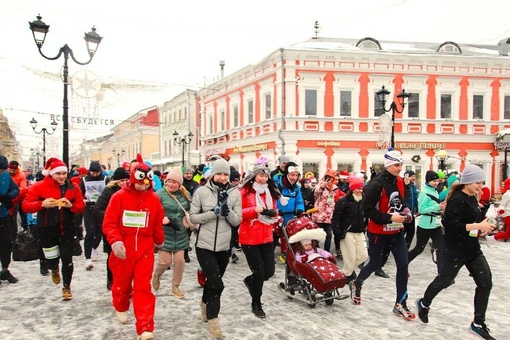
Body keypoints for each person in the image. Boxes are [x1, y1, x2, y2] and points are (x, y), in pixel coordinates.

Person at [415, 164, 496, 340]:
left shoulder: (473, 197)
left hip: (472, 249)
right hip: (455, 249)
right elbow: (452, 226)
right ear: (467, 181)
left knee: (485, 283)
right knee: (445, 280)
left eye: (482, 182)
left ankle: (478, 323)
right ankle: (424, 302)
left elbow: (473, 220)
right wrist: (477, 226)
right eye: (477, 182)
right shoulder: (457, 199)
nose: (480, 186)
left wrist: (483, 227)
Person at [102, 154, 165, 340]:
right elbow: (109, 223)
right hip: (123, 250)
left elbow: (156, 224)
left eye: (147, 183)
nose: (143, 186)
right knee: (121, 284)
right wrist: (115, 241)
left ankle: (145, 327)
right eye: (140, 182)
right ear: (132, 179)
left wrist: (160, 241)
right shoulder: (118, 197)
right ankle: (120, 305)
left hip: (144, 250)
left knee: (142, 288)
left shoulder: (154, 199)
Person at [349, 150, 415, 320]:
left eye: (401, 165)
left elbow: (402, 201)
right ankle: (357, 283)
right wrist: (389, 217)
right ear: (388, 165)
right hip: (378, 231)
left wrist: (406, 211)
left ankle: (400, 303)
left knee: (403, 265)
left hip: (396, 231)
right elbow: (367, 210)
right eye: (397, 165)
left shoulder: (400, 181)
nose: (400, 169)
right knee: (375, 263)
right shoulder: (376, 184)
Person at [189, 158, 242, 338]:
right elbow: (193, 218)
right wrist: (213, 213)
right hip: (204, 245)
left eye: (225, 174)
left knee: (213, 282)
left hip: (224, 247)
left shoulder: (235, 193)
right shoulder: (201, 192)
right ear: (212, 175)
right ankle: (213, 320)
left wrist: (227, 211)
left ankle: (204, 302)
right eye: (219, 174)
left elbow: (237, 220)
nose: (222, 177)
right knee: (217, 284)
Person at [22, 158, 85, 300]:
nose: (62, 177)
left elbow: (81, 207)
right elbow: (26, 206)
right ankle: (54, 268)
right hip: (47, 228)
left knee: (67, 258)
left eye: (64, 173)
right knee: (51, 258)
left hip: (67, 228)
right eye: (58, 174)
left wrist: (70, 206)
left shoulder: (73, 187)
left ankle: (67, 287)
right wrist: (42, 204)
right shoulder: (39, 187)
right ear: (51, 174)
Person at [238, 162, 281, 319]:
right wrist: (254, 210)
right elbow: (236, 213)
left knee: (269, 271)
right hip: (249, 237)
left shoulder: (270, 191)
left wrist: (273, 212)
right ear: (254, 176)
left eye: (265, 176)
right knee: (259, 270)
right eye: (260, 175)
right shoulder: (244, 191)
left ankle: (250, 281)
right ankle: (256, 302)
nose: (263, 179)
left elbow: (275, 210)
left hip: (266, 236)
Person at [152, 168, 192, 298]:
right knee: (165, 262)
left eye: (174, 182)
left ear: (179, 184)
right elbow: (151, 211)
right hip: (165, 233)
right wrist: (160, 218)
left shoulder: (185, 195)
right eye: (169, 181)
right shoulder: (159, 194)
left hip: (180, 233)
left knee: (180, 261)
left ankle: (175, 287)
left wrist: (188, 220)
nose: (171, 184)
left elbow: (191, 210)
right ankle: (157, 275)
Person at [93, 167, 130, 290]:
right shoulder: (109, 191)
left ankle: (125, 281)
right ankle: (111, 279)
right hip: (112, 229)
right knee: (112, 256)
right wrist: (113, 218)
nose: (124, 183)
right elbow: (98, 209)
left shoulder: (131, 191)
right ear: (115, 181)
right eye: (121, 181)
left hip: (127, 229)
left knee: (126, 256)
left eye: (126, 180)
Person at [331, 177, 368, 284]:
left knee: (363, 255)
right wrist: (337, 232)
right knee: (350, 256)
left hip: (360, 232)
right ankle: (348, 274)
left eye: (361, 188)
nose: (360, 190)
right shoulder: (343, 201)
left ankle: (346, 272)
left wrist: (366, 224)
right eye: (358, 188)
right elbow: (336, 218)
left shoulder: (364, 200)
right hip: (347, 232)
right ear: (352, 188)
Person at [408, 171, 444, 274]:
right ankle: (404, 264)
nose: (436, 183)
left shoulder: (435, 191)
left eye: (437, 180)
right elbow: (422, 209)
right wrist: (437, 206)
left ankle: (442, 274)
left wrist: (440, 207)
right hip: (425, 225)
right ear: (428, 181)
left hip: (436, 225)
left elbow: (433, 205)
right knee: (419, 249)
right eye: (434, 181)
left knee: (441, 249)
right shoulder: (424, 192)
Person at [80, 161, 109, 270]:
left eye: (96, 172)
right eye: (92, 172)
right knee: (90, 232)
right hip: (89, 208)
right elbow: (80, 192)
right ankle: (88, 257)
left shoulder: (105, 179)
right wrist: (82, 199)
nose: (94, 174)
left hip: (101, 208)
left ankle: (94, 247)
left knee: (100, 232)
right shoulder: (84, 180)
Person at [273, 162, 305, 259]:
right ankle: (269, 254)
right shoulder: (277, 185)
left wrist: (299, 209)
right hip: (277, 216)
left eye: (296, 175)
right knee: (273, 237)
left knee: (287, 236)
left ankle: (285, 253)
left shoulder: (296, 188)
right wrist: (276, 210)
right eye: (292, 175)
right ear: (286, 174)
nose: (294, 178)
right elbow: (272, 199)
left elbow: (299, 200)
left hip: (290, 216)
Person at [311, 170, 344, 254]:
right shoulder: (320, 185)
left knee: (329, 235)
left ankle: (326, 252)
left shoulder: (334, 188)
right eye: (329, 178)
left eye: (334, 179)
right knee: (317, 236)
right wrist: (323, 186)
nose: (331, 180)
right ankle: (315, 251)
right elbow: (316, 194)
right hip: (319, 215)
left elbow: (334, 199)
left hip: (329, 216)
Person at [0, 155, 20, 284]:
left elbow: (16, 190)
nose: (1, 172)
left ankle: (4, 269)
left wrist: (7, 197)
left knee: (6, 243)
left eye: (3, 170)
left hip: (3, 215)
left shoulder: (6, 176)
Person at [8, 160, 28, 232]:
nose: (12, 172)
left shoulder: (21, 175)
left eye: (14, 170)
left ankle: (23, 229)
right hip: (7, 197)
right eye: (10, 169)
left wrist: (13, 194)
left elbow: (23, 188)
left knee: (19, 215)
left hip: (17, 198)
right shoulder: (5, 174)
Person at [403, 170, 418, 249]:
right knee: (401, 233)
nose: (413, 178)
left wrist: (417, 207)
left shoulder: (414, 187)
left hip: (412, 214)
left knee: (411, 233)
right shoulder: (403, 186)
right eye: (412, 176)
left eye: (414, 176)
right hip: (403, 214)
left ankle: (405, 248)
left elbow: (415, 198)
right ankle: (400, 248)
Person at [229, 169, 242, 263]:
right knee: (230, 235)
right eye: (234, 181)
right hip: (229, 215)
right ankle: (231, 252)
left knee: (234, 235)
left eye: (237, 180)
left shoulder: (240, 189)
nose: (236, 182)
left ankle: (232, 250)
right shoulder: (228, 189)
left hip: (237, 215)